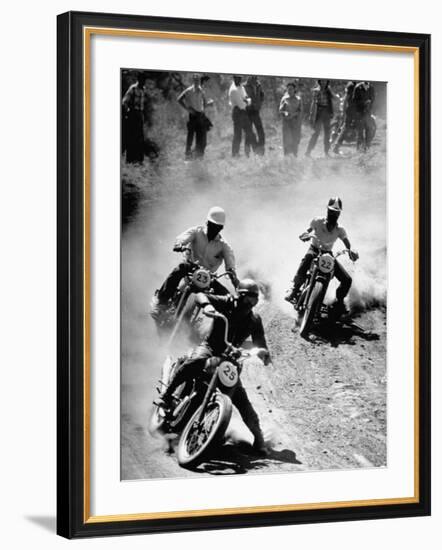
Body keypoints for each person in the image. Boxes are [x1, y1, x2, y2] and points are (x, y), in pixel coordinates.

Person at [156, 278, 271, 455]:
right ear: (239, 295)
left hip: (231, 360)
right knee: (194, 362)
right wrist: (207, 306)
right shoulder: (226, 302)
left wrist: (263, 352)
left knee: (240, 398)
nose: (251, 303)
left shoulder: (255, 319)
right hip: (211, 347)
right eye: (248, 298)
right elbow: (200, 294)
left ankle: (258, 438)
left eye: (254, 299)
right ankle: (167, 394)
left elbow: (260, 342)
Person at [150, 207, 239, 319]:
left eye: (217, 227)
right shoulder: (196, 232)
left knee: (228, 298)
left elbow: (230, 264)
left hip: (208, 277)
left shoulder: (224, 246)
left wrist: (234, 279)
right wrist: (179, 245)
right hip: (190, 268)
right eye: (212, 225)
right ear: (207, 222)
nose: (213, 229)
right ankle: (161, 303)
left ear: (221, 228)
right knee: (180, 268)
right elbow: (182, 238)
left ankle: (222, 327)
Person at [285, 197, 359, 316]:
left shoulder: (340, 229)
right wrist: (305, 235)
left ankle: (339, 302)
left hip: (328, 255)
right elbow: (308, 231)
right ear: (327, 211)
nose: (333, 214)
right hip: (314, 249)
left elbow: (346, 242)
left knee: (347, 280)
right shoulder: (318, 221)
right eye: (331, 211)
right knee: (305, 262)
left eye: (336, 212)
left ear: (339, 213)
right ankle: (294, 290)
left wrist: (351, 251)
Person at [177, 73, 212, 160]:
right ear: (193, 81)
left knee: (202, 140)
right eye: (195, 80)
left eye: (198, 80)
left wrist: (209, 104)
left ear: (200, 81)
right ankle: (188, 156)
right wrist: (188, 109)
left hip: (201, 116)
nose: (197, 82)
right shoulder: (189, 90)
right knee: (191, 138)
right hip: (193, 116)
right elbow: (179, 99)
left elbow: (203, 105)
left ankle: (197, 157)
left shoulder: (201, 90)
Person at [228, 75, 257, 157]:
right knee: (238, 135)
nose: (239, 79)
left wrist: (246, 100)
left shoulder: (241, 87)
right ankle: (235, 154)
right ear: (234, 78)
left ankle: (256, 151)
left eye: (240, 78)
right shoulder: (233, 90)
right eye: (237, 78)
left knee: (250, 133)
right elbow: (241, 105)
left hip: (243, 112)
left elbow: (248, 98)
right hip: (237, 112)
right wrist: (246, 101)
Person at [122, 72, 147, 163]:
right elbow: (124, 101)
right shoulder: (133, 88)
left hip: (140, 114)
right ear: (138, 79)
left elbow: (142, 104)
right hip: (133, 114)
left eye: (144, 80)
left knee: (140, 137)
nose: (143, 82)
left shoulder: (143, 89)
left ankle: (139, 160)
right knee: (132, 137)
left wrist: (142, 115)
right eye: (142, 80)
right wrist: (128, 110)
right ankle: (130, 160)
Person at [305, 79, 334, 158]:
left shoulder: (328, 91)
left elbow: (331, 102)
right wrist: (311, 115)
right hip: (319, 113)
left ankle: (326, 152)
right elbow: (313, 103)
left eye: (325, 81)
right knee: (316, 133)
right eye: (322, 81)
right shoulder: (316, 91)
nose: (324, 83)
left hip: (327, 112)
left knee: (327, 133)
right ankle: (308, 151)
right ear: (320, 82)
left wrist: (332, 112)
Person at [279, 82, 303, 157]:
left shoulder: (298, 99)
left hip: (296, 123)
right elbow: (280, 110)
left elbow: (300, 111)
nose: (290, 90)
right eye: (288, 89)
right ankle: (286, 156)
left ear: (294, 89)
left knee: (295, 140)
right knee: (287, 140)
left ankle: (294, 155)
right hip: (286, 123)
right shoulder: (284, 99)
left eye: (291, 89)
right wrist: (285, 113)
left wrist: (294, 115)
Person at [332, 81, 356, 154]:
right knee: (345, 128)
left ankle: (360, 148)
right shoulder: (351, 86)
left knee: (346, 128)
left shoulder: (354, 86)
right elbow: (346, 99)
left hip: (354, 111)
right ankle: (336, 146)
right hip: (350, 111)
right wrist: (343, 112)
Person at [244, 75, 265, 155]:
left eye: (255, 77)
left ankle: (261, 150)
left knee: (261, 131)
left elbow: (262, 95)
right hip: (247, 112)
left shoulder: (258, 85)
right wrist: (248, 103)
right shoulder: (244, 86)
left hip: (256, 111)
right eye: (252, 77)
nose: (254, 78)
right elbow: (243, 98)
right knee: (249, 133)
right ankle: (248, 151)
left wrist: (260, 103)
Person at [352, 81, 375, 151]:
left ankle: (367, 148)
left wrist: (369, 104)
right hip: (359, 112)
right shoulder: (358, 87)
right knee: (360, 131)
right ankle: (359, 149)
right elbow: (354, 100)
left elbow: (373, 98)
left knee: (370, 129)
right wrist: (363, 103)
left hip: (368, 112)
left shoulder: (371, 87)